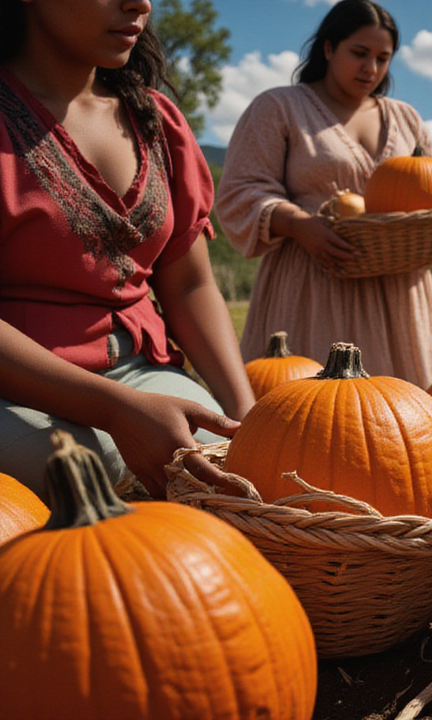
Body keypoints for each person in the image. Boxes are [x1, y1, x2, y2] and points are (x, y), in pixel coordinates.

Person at [0, 0, 255, 499]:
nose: (139, 4)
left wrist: (249, 418)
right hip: (14, 384)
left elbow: (189, 285)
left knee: (231, 471)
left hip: (142, 371)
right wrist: (114, 409)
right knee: (93, 474)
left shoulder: (158, 122)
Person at [216, 0, 432, 388]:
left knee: (409, 422)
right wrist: (301, 226)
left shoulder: (406, 118)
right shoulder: (279, 108)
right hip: (314, 280)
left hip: (400, 289)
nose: (371, 68)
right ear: (328, 49)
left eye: (382, 58)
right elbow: (241, 190)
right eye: (359, 53)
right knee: (318, 418)